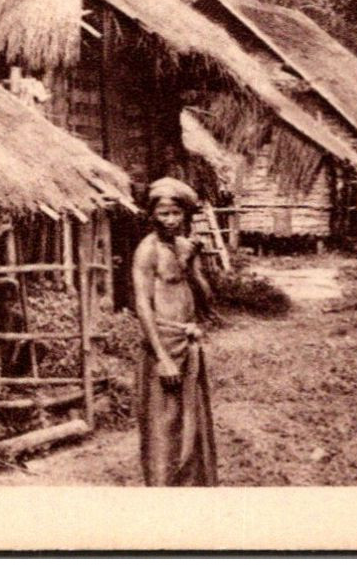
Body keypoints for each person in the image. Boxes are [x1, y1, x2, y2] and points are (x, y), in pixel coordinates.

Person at [132, 176, 218, 485]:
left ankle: (193, 492)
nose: (170, 220)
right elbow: (142, 305)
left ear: (185, 214)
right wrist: (162, 358)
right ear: (152, 215)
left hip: (188, 340)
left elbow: (206, 298)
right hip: (163, 344)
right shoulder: (147, 251)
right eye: (163, 213)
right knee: (163, 429)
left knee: (193, 426)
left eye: (176, 213)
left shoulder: (184, 247)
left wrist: (191, 264)